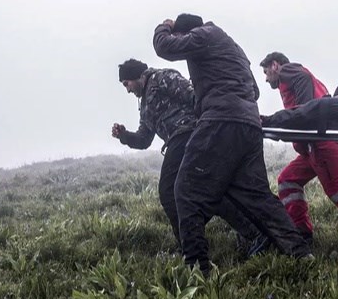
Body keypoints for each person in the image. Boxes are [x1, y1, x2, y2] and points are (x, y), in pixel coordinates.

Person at [152, 14, 311, 275]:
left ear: (187, 32)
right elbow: (255, 91)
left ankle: (197, 268)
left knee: (185, 190)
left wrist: (164, 27)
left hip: (220, 122)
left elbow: (164, 47)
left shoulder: (204, 35)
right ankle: (300, 253)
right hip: (247, 125)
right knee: (257, 196)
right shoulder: (233, 48)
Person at [112, 58, 262, 251]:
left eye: (127, 84)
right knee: (206, 191)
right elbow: (144, 139)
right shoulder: (145, 106)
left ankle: (189, 245)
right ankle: (251, 233)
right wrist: (124, 136)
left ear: (137, 76)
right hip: (178, 141)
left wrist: (211, 127)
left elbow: (194, 96)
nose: (128, 89)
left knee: (168, 191)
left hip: (189, 134)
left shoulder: (162, 77)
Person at [257, 52, 338, 260]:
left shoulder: (290, 71)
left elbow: (305, 101)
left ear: (275, 65)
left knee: (337, 189)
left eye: (265, 72)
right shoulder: (305, 82)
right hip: (313, 146)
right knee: (287, 180)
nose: (266, 78)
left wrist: (303, 111)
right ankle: (302, 233)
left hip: (321, 143)